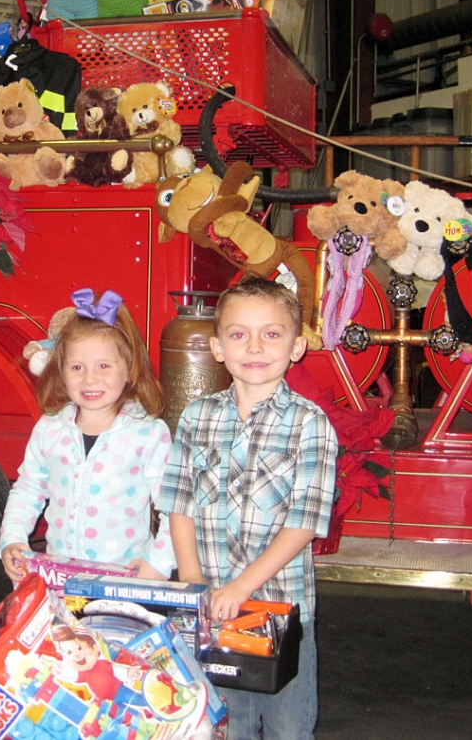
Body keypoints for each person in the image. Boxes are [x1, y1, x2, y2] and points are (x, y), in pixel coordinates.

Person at [157, 277, 338, 740]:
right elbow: (178, 502)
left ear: (297, 346)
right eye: (238, 334)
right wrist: (193, 580)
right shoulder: (197, 417)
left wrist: (241, 587)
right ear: (217, 347)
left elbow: (304, 522)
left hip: (280, 608)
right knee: (223, 723)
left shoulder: (309, 423)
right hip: (213, 609)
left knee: (289, 728)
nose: (254, 346)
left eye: (271, 334)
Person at [0, 287, 175, 583]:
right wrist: (13, 539)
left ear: (129, 369)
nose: (89, 378)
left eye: (104, 366)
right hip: (59, 580)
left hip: (124, 580)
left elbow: (175, 508)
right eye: (77, 367)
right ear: (61, 371)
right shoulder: (50, 428)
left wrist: (157, 562)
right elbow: (28, 490)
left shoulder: (148, 434)